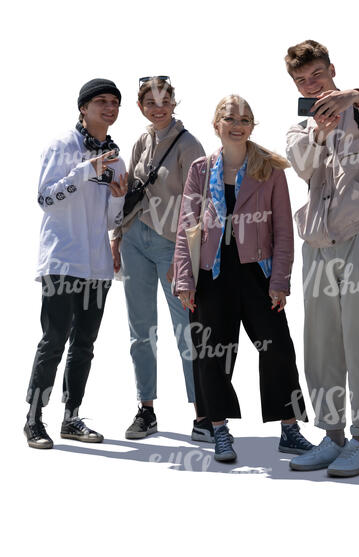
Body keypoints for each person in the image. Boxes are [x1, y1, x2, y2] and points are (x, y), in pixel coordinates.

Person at [173, 94, 313, 462]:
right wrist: (185, 281)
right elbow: (186, 226)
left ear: (252, 126)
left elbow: (283, 230)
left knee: (278, 349)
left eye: (246, 119)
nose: (238, 125)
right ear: (216, 124)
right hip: (212, 273)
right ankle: (219, 430)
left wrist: (280, 280)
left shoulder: (269, 168)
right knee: (211, 353)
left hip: (258, 272)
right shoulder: (201, 170)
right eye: (231, 119)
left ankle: (289, 429)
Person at [284, 40, 359, 476]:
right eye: (301, 80)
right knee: (321, 342)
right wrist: (319, 132)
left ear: (331, 70)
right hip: (316, 244)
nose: (311, 86)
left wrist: (353, 97)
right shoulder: (299, 128)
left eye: (316, 75)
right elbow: (302, 164)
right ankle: (331, 437)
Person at [25, 78, 128, 449]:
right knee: (53, 340)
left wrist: (118, 198)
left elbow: (112, 221)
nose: (109, 107)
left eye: (115, 102)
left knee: (84, 343)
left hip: (96, 266)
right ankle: (34, 419)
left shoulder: (116, 157)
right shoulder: (62, 146)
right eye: (101, 101)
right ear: (83, 107)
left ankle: (71, 418)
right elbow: (45, 198)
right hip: (61, 261)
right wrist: (86, 170)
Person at [109, 77, 208, 441]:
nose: (158, 107)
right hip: (134, 240)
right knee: (141, 330)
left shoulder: (189, 144)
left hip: (171, 245)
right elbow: (126, 196)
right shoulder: (140, 140)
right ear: (141, 107)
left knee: (188, 330)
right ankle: (145, 409)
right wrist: (116, 239)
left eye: (164, 100)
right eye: (150, 102)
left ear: (174, 102)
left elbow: (199, 205)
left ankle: (204, 416)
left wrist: (183, 258)